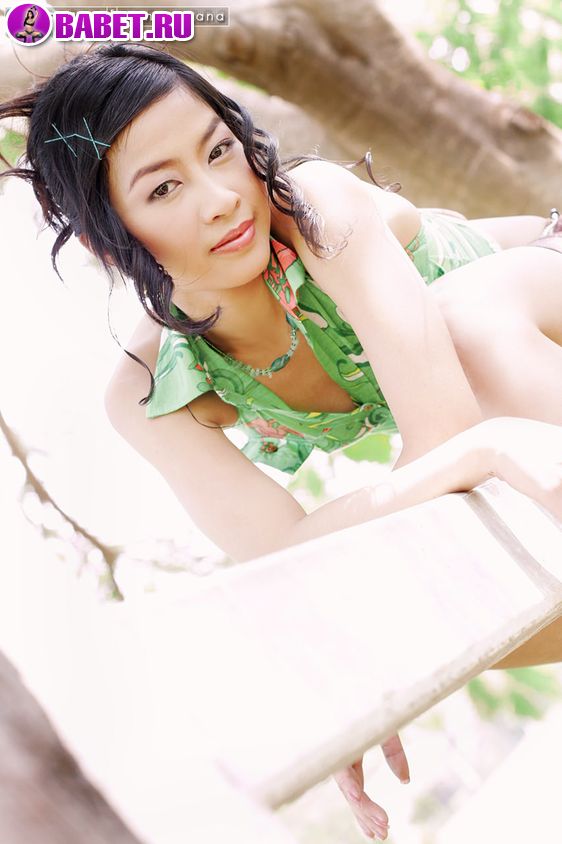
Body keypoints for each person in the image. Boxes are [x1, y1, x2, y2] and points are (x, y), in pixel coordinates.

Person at [1, 43, 561, 841]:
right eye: (163, 188)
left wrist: (467, 452)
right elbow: (293, 565)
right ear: (106, 240)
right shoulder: (150, 393)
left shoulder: (317, 208)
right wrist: (352, 673)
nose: (223, 199)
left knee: (468, 325)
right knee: (408, 594)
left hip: (542, 292)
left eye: (218, 150)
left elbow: (448, 431)